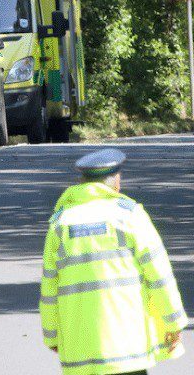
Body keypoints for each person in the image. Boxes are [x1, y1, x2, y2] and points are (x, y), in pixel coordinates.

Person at [40, 148, 187, 374]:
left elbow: (50, 288)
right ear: (116, 181)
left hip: (81, 353)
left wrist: (51, 334)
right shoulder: (129, 216)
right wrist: (173, 322)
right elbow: (159, 274)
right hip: (128, 350)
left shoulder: (60, 223)